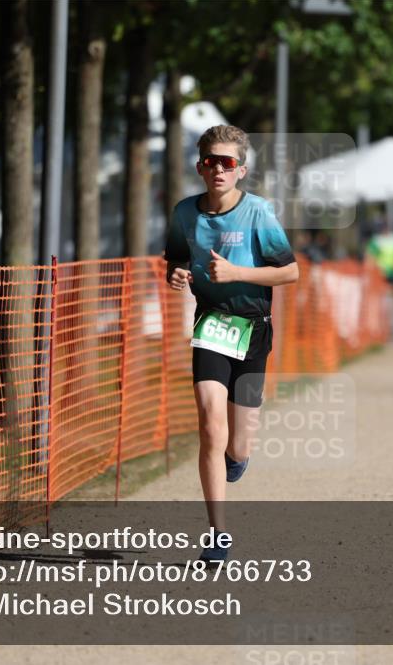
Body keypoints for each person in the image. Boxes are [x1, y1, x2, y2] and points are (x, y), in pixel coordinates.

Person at [163, 125, 299, 563]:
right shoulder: (185, 213)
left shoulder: (258, 212)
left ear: (240, 170)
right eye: (211, 162)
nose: (218, 169)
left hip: (254, 328)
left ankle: (236, 457)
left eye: (227, 162)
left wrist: (238, 274)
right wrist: (176, 274)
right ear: (200, 167)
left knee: (237, 447)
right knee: (209, 424)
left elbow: (290, 271)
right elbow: (175, 259)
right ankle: (217, 535)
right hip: (212, 325)